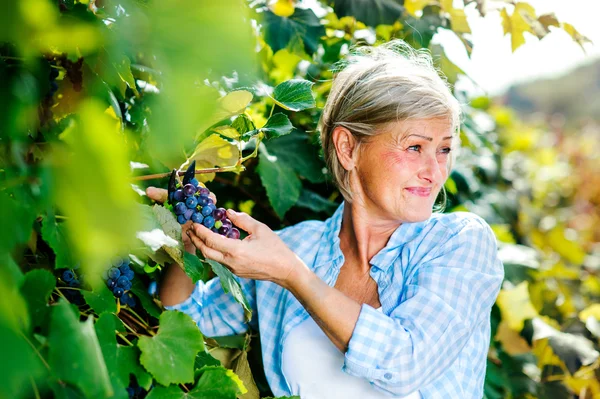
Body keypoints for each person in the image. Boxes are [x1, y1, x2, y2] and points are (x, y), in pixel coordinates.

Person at [147, 39, 504, 398]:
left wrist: (293, 275)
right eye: (415, 147)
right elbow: (185, 320)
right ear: (348, 147)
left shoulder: (459, 243)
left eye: (443, 149)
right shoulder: (295, 247)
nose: (435, 170)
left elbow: (404, 365)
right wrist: (189, 233)